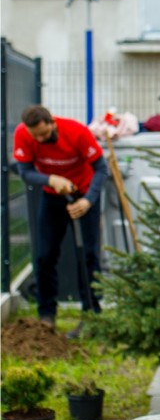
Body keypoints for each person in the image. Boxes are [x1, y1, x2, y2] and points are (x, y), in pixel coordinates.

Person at [13, 105, 108, 337]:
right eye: (35, 136)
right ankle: (46, 315)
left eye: (44, 134)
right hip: (53, 196)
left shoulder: (76, 132)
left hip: (84, 194)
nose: (40, 139)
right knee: (44, 255)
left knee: (88, 256)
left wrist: (88, 201)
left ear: (53, 123)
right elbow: (24, 171)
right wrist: (51, 179)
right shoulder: (23, 134)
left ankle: (91, 314)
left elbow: (101, 169)